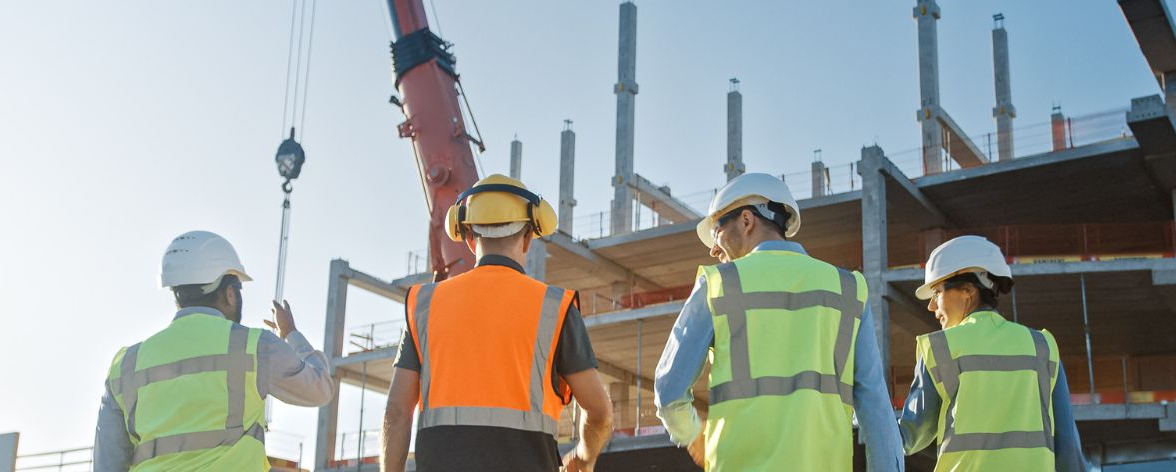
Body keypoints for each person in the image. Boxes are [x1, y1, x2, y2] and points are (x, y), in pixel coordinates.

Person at [654, 172, 905, 472]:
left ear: (747, 221)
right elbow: (876, 407)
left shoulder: (719, 284)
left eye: (718, 229)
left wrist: (692, 434)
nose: (713, 248)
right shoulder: (848, 289)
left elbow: (669, 392)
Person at [381, 174, 615, 472]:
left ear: (468, 237)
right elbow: (600, 412)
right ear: (529, 238)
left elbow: (397, 411)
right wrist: (584, 455)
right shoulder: (555, 308)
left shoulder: (423, 305)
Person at [95, 231, 335, 471]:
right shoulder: (254, 346)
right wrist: (291, 334)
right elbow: (320, 388)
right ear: (229, 293)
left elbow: (107, 463)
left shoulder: (126, 365)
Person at [899, 236, 1089, 471]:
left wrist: (860, 407)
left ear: (968, 290)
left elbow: (908, 436)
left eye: (937, 292)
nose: (931, 306)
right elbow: (1068, 449)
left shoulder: (941, 349)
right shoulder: (1041, 346)